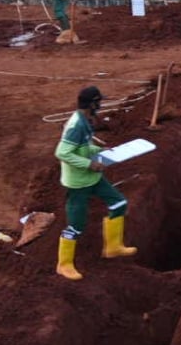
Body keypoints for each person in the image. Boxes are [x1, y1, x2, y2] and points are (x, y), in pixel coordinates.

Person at [54, 85, 136, 280]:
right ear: (91, 104)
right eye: (99, 102)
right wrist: (89, 164)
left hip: (92, 177)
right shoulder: (76, 126)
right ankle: (64, 265)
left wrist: (98, 151)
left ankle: (113, 247)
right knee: (76, 225)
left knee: (119, 203)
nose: (100, 106)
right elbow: (62, 153)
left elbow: (83, 147)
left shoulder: (85, 121)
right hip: (78, 183)